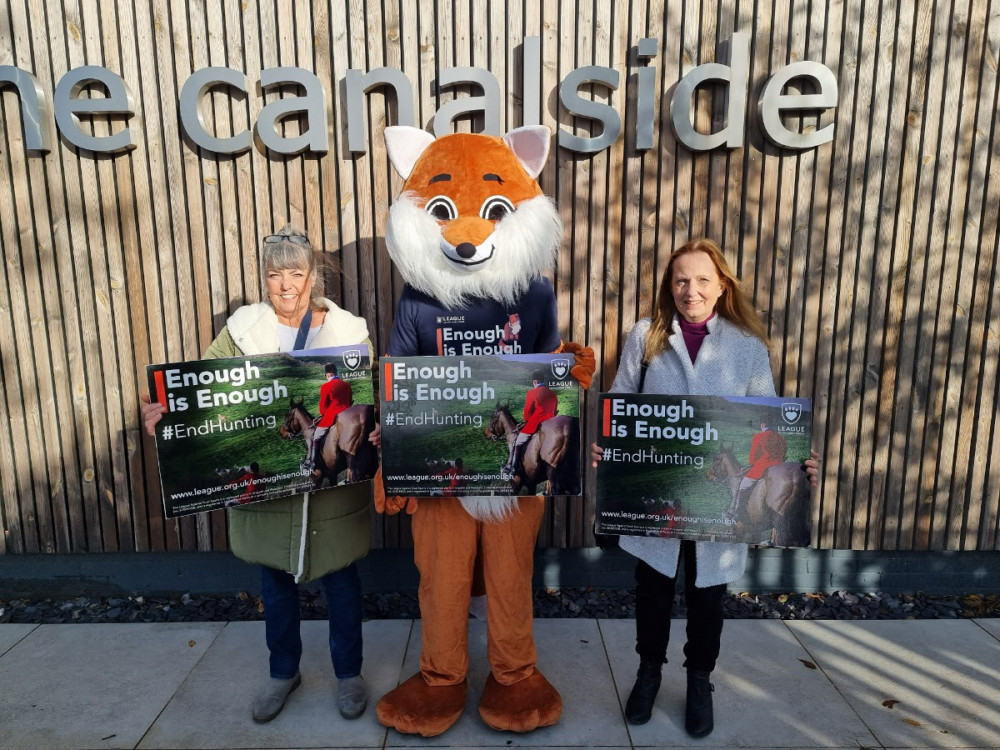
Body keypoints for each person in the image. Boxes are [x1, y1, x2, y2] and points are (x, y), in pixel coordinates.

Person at [141, 225, 377, 724]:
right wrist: (168, 417)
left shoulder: (348, 331)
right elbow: (203, 393)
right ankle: (283, 671)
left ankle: (348, 673)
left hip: (331, 491)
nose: (286, 284)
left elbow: (368, 396)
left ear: (313, 275)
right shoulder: (242, 331)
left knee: (341, 581)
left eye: (296, 272)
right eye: (275, 274)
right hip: (268, 490)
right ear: (264, 279)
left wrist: (377, 428)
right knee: (275, 582)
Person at [591, 238, 819, 737]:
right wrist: (607, 450)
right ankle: (648, 674)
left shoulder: (747, 346)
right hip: (662, 499)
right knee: (651, 590)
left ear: (721, 287)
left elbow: (768, 421)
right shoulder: (644, 338)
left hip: (714, 507)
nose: (689, 290)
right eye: (680, 280)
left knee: (707, 596)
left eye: (700, 280)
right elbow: (620, 404)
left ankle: (699, 682)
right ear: (669, 287)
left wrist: (797, 460)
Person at [727, 422, 788, 520]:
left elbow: (753, 457)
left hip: (763, 467)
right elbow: (784, 453)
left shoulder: (758, 436)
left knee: (742, 486)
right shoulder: (781, 437)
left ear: (763, 425)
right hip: (780, 467)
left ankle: (736, 512)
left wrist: (752, 464)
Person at [506, 370, 558, 481]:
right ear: (543, 380)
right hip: (550, 424)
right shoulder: (553, 393)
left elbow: (526, 415)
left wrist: (528, 419)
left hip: (534, 425)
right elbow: (554, 412)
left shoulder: (531, 393)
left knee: (517, 442)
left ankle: (513, 467)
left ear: (534, 381)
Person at [305, 363, 354, 469]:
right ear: (336, 373)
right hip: (348, 415)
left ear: (327, 375)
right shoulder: (347, 385)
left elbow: (322, 410)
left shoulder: (325, 387)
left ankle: (312, 463)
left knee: (316, 436)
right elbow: (350, 402)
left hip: (332, 417)